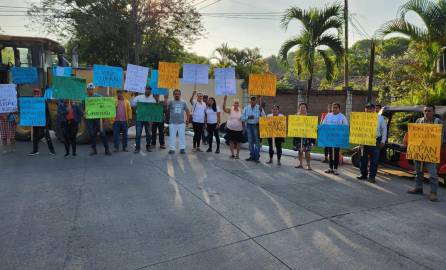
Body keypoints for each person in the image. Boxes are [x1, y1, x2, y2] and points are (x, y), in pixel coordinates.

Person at [407, 105, 444, 202]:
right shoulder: (418, 121)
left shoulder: (438, 122)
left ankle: (433, 192)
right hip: (419, 151)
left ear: (434, 111)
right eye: (425, 111)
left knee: (433, 174)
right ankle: (418, 188)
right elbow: (414, 135)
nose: (427, 112)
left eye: (429, 111)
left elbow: (442, 137)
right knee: (418, 172)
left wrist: (436, 146)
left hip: (431, 152)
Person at [356, 103, 387, 183]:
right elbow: (359, 130)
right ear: (365, 110)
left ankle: (372, 176)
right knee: (363, 159)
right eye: (367, 109)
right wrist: (360, 142)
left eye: (370, 109)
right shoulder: (361, 118)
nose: (368, 111)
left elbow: (384, 130)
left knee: (374, 160)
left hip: (376, 140)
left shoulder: (380, 118)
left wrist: (383, 141)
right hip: (364, 140)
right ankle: (363, 174)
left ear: (374, 109)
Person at [85, 83, 111, 156]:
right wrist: (84, 113)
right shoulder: (85, 98)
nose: (90, 91)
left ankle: (107, 150)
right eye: (89, 89)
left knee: (103, 134)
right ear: (87, 90)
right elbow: (83, 107)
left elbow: (104, 104)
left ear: (93, 90)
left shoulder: (98, 96)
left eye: (91, 89)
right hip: (90, 119)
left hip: (98, 119)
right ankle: (94, 150)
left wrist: (104, 117)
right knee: (92, 134)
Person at [322, 103, 348, 175]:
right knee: (330, 152)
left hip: (338, 138)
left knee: (336, 153)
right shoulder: (328, 115)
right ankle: (330, 168)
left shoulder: (342, 117)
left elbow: (345, 126)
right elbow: (324, 124)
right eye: (333, 107)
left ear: (339, 109)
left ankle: (335, 169)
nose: (334, 109)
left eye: (336, 108)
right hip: (329, 137)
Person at [29, 88, 56, 156]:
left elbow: (47, 112)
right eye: (35, 94)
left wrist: (48, 122)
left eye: (37, 93)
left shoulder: (43, 101)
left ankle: (52, 151)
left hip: (43, 121)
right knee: (35, 135)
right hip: (35, 121)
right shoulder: (31, 102)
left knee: (46, 136)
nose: (36, 95)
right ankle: (35, 150)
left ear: (40, 94)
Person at [132, 85, 156, 153]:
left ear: (151, 91)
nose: (148, 91)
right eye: (147, 89)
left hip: (148, 119)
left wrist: (153, 119)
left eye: (149, 90)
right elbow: (132, 105)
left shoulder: (153, 99)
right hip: (139, 118)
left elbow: (154, 110)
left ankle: (148, 146)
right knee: (138, 133)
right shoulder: (138, 97)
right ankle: (137, 148)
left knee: (148, 133)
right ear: (144, 89)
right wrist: (137, 107)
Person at [241, 96, 265, 163]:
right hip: (248, 126)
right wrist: (248, 117)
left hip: (256, 126)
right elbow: (242, 118)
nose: (253, 102)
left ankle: (257, 157)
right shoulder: (246, 108)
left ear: (256, 101)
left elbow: (264, 117)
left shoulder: (259, 108)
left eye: (254, 100)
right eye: (251, 100)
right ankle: (252, 156)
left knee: (257, 142)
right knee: (250, 142)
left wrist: (261, 111)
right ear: (250, 101)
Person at [168, 89, 190, 154]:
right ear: (173, 95)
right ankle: (172, 149)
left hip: (181, 123)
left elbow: (187, 111)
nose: (177, 95)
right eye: (175, 94)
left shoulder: (184, 102)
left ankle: (182, 148)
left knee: (182, 136)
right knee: (172, 136)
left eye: (178, 94)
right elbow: (167, 109)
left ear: (180, 94)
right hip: (172, 122)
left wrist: (188, 119)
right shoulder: (171, 102)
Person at [293, 103, 313, 170]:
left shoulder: (309, 117)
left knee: (307, 152)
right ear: (299, 108)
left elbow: (312, 128)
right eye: (301, 107)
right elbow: (293, 126)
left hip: (307, 137)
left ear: (306, 109)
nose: (302, 109)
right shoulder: (296, 116)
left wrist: (313, 140)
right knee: (300, 151)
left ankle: (309, 165)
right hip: (298, 137)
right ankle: (300, 164)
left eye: (304, 107)